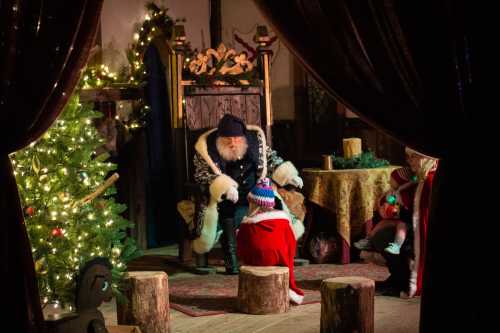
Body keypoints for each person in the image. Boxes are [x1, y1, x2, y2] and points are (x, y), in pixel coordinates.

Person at [191, 114, 304, 274]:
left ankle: (278, 253)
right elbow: (202, 175)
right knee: (227, 210)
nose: (232, 144)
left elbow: (271, 159)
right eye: (227, 140)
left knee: (277, 206)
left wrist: (289, 176)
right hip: (225, 198)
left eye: (236, 140)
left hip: (255, 194)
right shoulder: (206, 150)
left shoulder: (254, 143)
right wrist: (224, 187)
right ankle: (231, 261)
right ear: (219, 139)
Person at [358, 147, 437, 298]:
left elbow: (420, 217)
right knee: (381, 234)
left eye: (414, 157)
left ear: (426, 157)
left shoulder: (429, 180)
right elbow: (391, 197)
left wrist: (400, 209)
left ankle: (405, 279)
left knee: (385, 235)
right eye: (408, 157)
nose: (409, 161)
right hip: (408, 226)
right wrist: (387, 205)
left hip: (418, 233)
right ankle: (399, 278)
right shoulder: (413, 176)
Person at [237, 178, 305, 304]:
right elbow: (291, 243)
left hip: (257, 260)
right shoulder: (283, 220)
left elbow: (241, 247)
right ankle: (289, 290)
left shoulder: (247, 224)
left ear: (254, 204)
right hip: (280, 260)